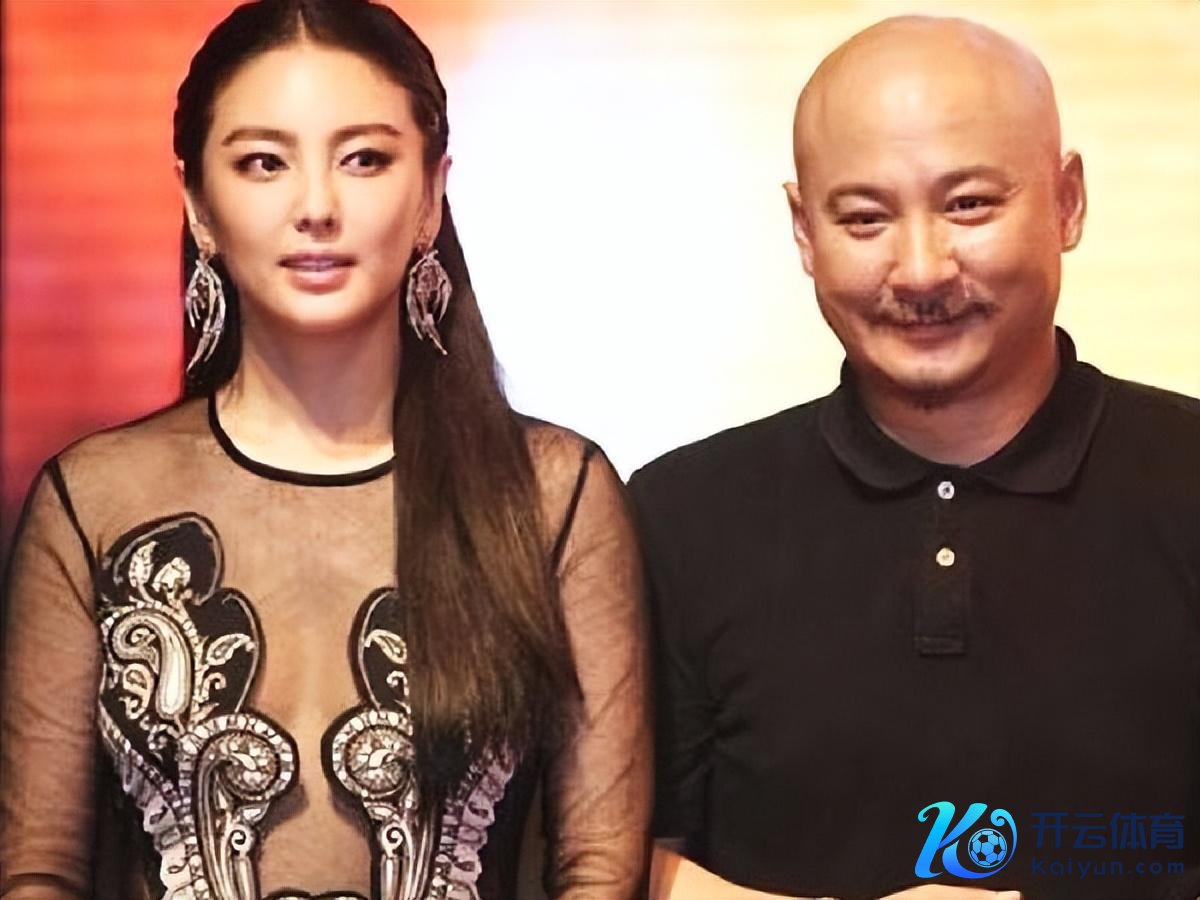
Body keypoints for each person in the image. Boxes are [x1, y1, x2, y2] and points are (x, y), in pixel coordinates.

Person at [0, 1, 650, 897]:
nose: (316, 207)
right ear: (198, 204)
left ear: (431, 196)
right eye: (264, 163)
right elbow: (39, 869)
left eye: (365, 159)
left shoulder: (550, 495)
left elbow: (599, 870)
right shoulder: (94, 503)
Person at [631, 15, 1198, 900]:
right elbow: (611, 856)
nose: (922, 269)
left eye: (969, 205)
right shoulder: (678, 516)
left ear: (1068, 201)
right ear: (803, 230)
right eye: (864, 218)